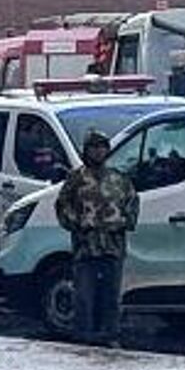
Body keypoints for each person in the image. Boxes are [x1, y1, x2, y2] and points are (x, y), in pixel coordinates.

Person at [54, 128, 139, 347]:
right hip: (86, 247)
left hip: (112, 247)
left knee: (111, 296)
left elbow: (132, 203)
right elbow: (63, 206)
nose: (98, 151)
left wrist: (122, 222)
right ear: (86, 150)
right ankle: (84, 337)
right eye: (94, 147)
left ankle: (110, 336)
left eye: (102, 147)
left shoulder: (118, 178)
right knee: (84, 296)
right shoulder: (76, 178)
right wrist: (79, 224)